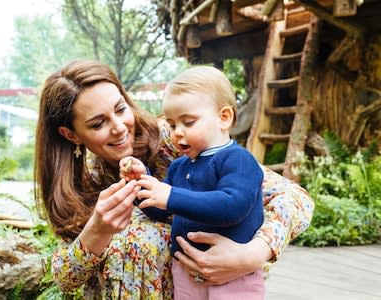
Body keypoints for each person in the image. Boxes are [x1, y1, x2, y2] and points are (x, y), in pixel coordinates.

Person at [34, 59, 314, 299]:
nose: (119, 128)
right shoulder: (79, 186)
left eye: (120, 109)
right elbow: (64, 278)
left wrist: (253, 254)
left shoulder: (176, 141)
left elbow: (295, 198)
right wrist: (97, 230)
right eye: (98, 123)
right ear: (70, 135)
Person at [119, 66, 265, 299]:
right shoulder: (179, 166)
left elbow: (233, 206)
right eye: (173, 124)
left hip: (232, 277)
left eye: (188, 122)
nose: (177, 132)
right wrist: (141, 182)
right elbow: (161, 209)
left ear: (223, 118)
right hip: (186, 272)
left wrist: (171, 196)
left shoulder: (238, 160)